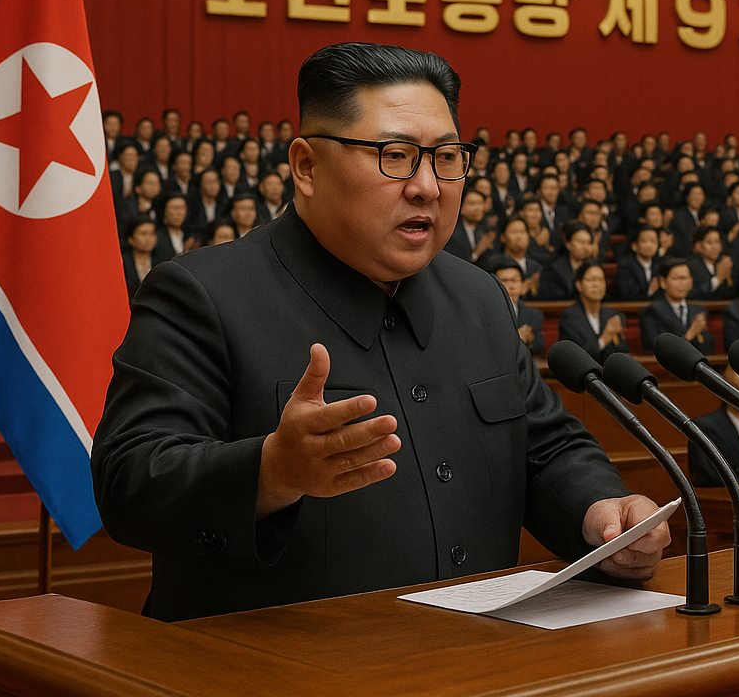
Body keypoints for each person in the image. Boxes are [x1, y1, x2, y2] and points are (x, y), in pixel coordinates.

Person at [93, 44, 666, 622]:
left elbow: (544, 449)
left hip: (480, 664)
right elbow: (130, 484)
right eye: (395, 156)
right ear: (307, 167)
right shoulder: (202, 294)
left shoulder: (479, 298)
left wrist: (602, 514)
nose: (427, 186)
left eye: (447, 157)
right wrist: (272, 471)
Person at [557, 262, 629, 362]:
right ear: (578, 285)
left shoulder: (612, 315)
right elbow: (573, 357)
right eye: (591, 280)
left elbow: (623, 350)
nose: (596, 284)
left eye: (600, 280)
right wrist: (603, 340)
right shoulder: (569, 318)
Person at [639, 258, 714, 354]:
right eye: (676, 279)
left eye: (685, 278)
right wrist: (689, 336)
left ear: (691, 282)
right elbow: (656, 348)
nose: (682, 283)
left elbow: (708, 348)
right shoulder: (651, 312)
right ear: (663, 282)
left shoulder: (699, 310)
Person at [488, 257, 543, 357]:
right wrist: (518, 339)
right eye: (505, 280)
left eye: (515, 280)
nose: (511, 286)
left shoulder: (533, 314)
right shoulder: (487, 313)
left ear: (522, 284)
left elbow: (538, 346)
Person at [613, 225, 663, 301]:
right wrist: (649, 292)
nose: (649, 245)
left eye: (653, 241)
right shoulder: (625, 266)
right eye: (644, 241)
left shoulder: (660, 266)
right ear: (634, 246)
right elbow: (627, 294)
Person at [121, 217, 159, 299]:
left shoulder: (161, 261)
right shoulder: (122, 263)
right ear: (130, 239)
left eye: (152, 234)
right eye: (143, 234)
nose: (148, 238)